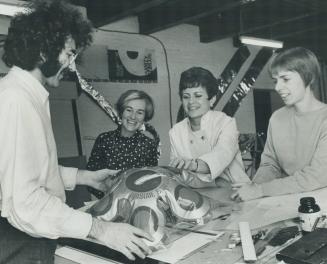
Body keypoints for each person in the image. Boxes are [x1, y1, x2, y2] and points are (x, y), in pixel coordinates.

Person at [0, 1, 152, 263]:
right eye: (69, 54)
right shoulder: (16, 100)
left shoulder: (25, 94)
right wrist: (101, 230)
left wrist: (85, 177)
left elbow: (27, 172)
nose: (71, 66)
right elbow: (26, 203)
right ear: (43, 51)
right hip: (19, 240)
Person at [231, 47, 327, 202]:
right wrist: (254, 186)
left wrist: (261, 190)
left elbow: (316, 176)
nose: (277, 87)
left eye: (285, 79)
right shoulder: (277, 118)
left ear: (307, 77)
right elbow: (270, 164)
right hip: (285, 200)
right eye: (276, 81)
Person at [169, 67, 249, 188]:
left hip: (235, 190)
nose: (191, 102)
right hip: (196, 195)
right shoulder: (176, 132)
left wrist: (192, 165)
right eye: (186, 96)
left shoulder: (226, 123)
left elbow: (222, 154)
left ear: (212, 100)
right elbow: (177, 173)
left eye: (198, 95)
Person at [87, 89, 159, 198]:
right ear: (121, 112)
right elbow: (90, 179)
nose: (133, 117)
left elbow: (151, 182)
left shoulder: (149, 145)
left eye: (139, 112)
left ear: (145, 117)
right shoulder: (104, 140)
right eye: (129, 110)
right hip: (107, 202)